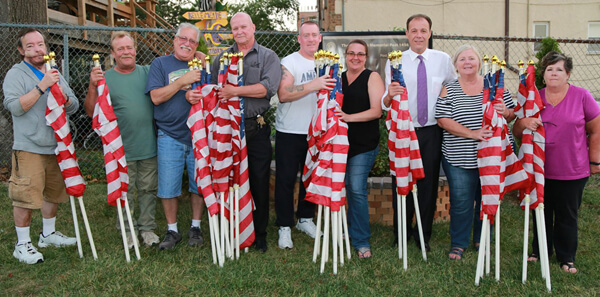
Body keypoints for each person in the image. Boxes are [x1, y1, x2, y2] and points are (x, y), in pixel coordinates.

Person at [514, 51, 600, 273]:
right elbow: (516, 130)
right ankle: (539, 250)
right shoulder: (535, 97)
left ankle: (566, 257)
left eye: (559, 69)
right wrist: (523, 121)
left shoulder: (582, 96)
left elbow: (596, 130)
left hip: (573, 169)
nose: (554, 73)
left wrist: (595, 161)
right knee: (539, 211)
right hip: (539, 168)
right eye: (549, 69)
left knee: (566, 215)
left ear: (568, 74)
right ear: (543, 74)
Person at [3, 28, 79, 264]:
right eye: (30, 46)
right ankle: (22, 244)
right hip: (30, 146)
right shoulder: (16, 74)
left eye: (40, 44)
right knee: (25, 196)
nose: (37, 49)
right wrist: (41, 86)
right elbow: (15, 107)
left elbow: (73, 104)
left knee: (52, 193)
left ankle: (48, 234)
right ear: (21, 50)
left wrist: (63, 98)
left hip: (56, 145)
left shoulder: (53, 70)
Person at [382, 14, 457, 251]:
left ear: (430, 33)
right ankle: (401, 233)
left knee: (428, 184)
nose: (418, 35)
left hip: (432, 131)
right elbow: (385, 102)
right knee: (401, 181)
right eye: (414, 30)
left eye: (423, 30)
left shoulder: (443, 60)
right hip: (404, 130)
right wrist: (389, 95)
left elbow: (453, 90)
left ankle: (423, 235)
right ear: (406, 34)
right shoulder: (395, 61)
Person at [435, 45, 515, 260]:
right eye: (462, 59)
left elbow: (511, 114)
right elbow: (442, 119)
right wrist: (473, 134)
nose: (467, 62)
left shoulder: (495, 86)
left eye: (471, 58)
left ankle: (482, 239)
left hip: (491, 157)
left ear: (479, 62)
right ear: (456, 65)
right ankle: (458, 244)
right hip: (458, 157)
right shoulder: (448, 87)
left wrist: (505, 111)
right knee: (461, 202)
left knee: (486, 199)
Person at [210, 12, 281, 253]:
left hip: (255, 128)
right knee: (230, 181)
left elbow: (266, 90)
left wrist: (235, 91)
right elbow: (215, 91)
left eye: (243, 27)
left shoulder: (268, 56)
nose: (239, 31)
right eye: (235, 28)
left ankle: (259, 234)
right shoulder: (221, 58)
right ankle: (233, 229)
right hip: (228, 130)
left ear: (253, 28)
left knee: (259, 182)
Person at [84, 31, 160, 248]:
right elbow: (91, 112)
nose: (126, 52)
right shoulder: (104, 78)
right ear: (113, 53)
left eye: (129, 47)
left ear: (135, 50)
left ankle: (147, 229)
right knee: (125, 191)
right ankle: (127, 231)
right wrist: (91, 85)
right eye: (120, 49)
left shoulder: (148, 72)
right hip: (120, 148)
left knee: (147, 189)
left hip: (148, 145)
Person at [274, 21, 336, 249]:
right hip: (290, 130)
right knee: (286, 180)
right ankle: (284, 225)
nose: (310, 39)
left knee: (311, 179)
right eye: (306, 35)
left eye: (314, 35)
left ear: (320, 38)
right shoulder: (289, 62)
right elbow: (283, 94)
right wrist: (314, 84)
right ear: (299, 39)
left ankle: (305, 219)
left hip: (317, 132)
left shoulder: (328, 63)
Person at [145, 23, 207, 250]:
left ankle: (196, 226)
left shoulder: (202, 64)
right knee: (168, 186)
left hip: (198, 134)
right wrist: (182, 81)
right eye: (183, 39)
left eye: (192, 41)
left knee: (198, 184)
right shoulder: (160, 64)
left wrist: (195, 93)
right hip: (169, 134)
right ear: (174, 40)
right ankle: (172, 230)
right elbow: (156, 97)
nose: (187, 44)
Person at [335, 39, 384, 258]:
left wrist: (347, 118)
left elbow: (376, 111)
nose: (355, 57)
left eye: (360, 54)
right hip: (339, 143)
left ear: (366, 57)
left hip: (364, 144)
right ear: (345, 55)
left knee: (355, 187)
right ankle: (348, 230)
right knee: (345, 187)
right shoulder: (338, 78)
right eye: (351, 53)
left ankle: (362, 241)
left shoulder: (372, 77)